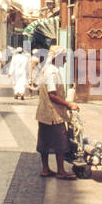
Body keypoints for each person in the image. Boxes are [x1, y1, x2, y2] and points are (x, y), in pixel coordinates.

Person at [36, 45, 78, 178]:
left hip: (44, 114)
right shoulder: (52, 73)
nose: (65, 60)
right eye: (64, 58)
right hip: (53, 114)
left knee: (45, 142)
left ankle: (45, 169)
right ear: (58, 58)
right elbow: (52, 95)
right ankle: (61, 171)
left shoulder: (47, 70)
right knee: (61, 142)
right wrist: (68, 104)